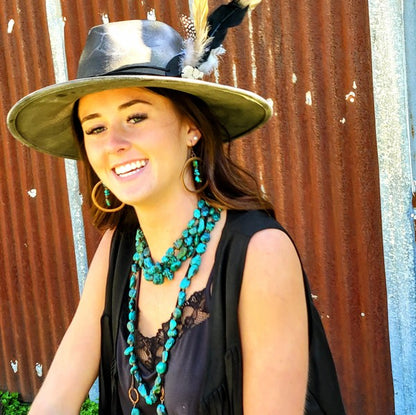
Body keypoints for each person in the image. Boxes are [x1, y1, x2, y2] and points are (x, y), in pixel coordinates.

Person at [7, 2, 345, 414]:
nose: (113, 144)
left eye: (136, 117)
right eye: (95, 127)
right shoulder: (118, 249)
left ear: (191, 128)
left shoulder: (259, 253)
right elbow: (57, 396)